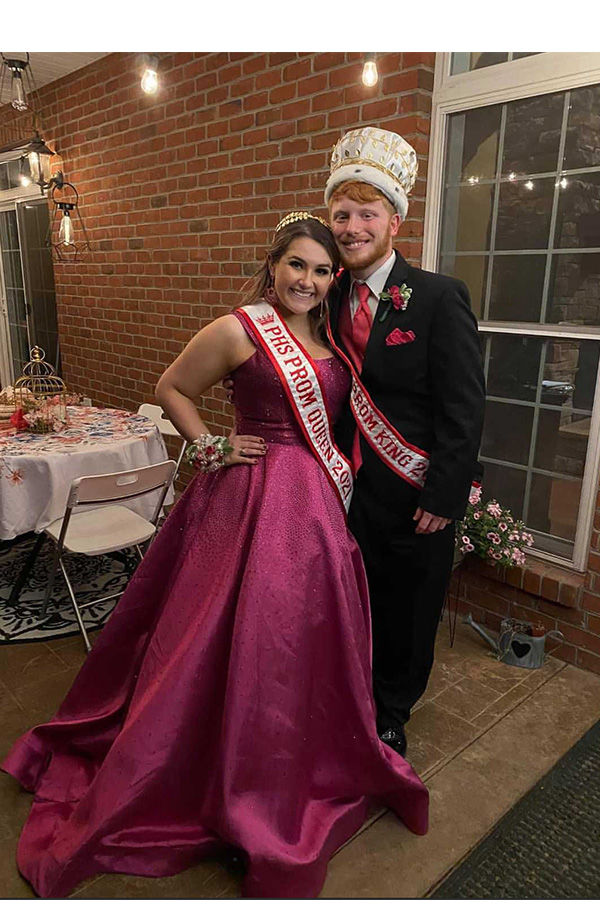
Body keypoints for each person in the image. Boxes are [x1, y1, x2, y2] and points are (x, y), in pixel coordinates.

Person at [1, 212, 428, 900]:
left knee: (295, 640)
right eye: (297, 264)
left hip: (313, 511)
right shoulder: (240, 327)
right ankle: (211, 765)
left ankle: (291, 758)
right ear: (274, 263)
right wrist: (210, 445)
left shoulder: (330, 338)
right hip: (246, 502)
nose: (308, 280)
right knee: (216, 634)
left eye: (322, 270)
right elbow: (173, 387)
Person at [323, 126, 486, 757]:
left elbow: (465, 407)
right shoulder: (325, 294)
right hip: (344, 489)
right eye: (342, 213)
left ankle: (391, 712)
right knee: (347, 603)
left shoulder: (439, 299)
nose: (352, 226)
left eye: (367, 212)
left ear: (395, 221)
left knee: (407, 613)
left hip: (415, 495)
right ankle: (345, 695)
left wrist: (445, 495)